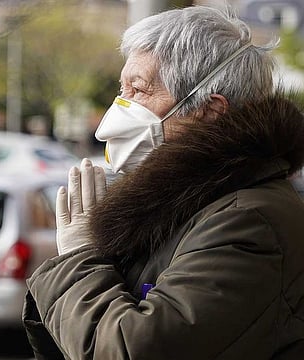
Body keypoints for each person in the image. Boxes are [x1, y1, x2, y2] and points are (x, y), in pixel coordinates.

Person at [22, 5, 304, 359]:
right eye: (121, 91)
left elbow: (135, 349)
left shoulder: (249, 223)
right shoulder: (189, 203)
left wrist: (78, 262)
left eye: (138, 90)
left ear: (210, 111)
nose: (116, 113)